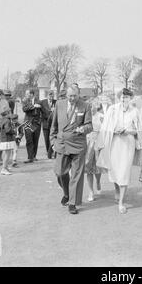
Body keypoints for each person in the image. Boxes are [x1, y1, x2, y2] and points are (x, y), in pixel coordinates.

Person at [96, 88, 142, 214]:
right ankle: (117, 190)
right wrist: (113, 131)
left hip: (128, 144)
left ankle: (121, 203)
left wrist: (128, 131)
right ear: (118, 98)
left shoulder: (135, 111)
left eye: (126, 97)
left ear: (130, 98)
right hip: (114, 143)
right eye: (122, 97)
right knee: (115, 170)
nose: (123, 99)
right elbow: (105, 126)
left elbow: (139, 130)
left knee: (124, 171)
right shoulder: (112, 109)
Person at [50, 85, 92, 214]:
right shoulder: (59, 104)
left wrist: (83, 129)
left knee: (76, 175)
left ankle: (72, 203)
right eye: (70, 96)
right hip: (62, 144)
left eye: (74, 96)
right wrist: (52, 141)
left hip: (78, 145)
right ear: (66, 95)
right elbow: (54, 125)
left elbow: (89, 125)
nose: (72, 98)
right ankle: (67, 193)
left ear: (78, 95)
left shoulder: (85, 105)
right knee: (60, 172)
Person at [85, 101, 105, 202]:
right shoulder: (86, 116)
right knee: (88, 167)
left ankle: (98, 181)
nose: (91, 109)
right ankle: (90, 191)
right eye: (90, 107)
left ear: (96, 107)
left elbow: (105, 129)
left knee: (97, 167)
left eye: (93, 107)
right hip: (87, 143)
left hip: (98, 143)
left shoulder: (101, 116)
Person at [22, 89, 42, 163]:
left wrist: (40, 121)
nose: (26, 95)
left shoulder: (39, 101)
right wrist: (33, 106)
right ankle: (30, 157)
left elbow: (43, 112)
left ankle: (34, 156)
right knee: (29, 139)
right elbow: (24, 109)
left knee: (35, 140)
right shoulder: (25, 101)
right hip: (28, 123)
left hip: (37, 123)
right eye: (26, 94)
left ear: (32, 94)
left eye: (27, 94)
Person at [0, 111, 16, 175]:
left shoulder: (2, 120)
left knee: (6, 154)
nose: (10, 114)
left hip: (4, 139)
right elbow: (7, 130)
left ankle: (5, 167)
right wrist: (14, 131)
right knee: (7, 154)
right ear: (6, 114)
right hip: (7, 139)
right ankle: (4, 168)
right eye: (9, 113)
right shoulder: (7, 121)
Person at [40, 90, 56, 159]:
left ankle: (51, 153)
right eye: (50, 95)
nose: (51, 96)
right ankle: (48, 151)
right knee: (46, 139)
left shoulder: (56, 102)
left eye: (52, 95)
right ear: (47, 95)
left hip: (53, 124)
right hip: (45, 124)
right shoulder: (42, 102)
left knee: (52, 138)